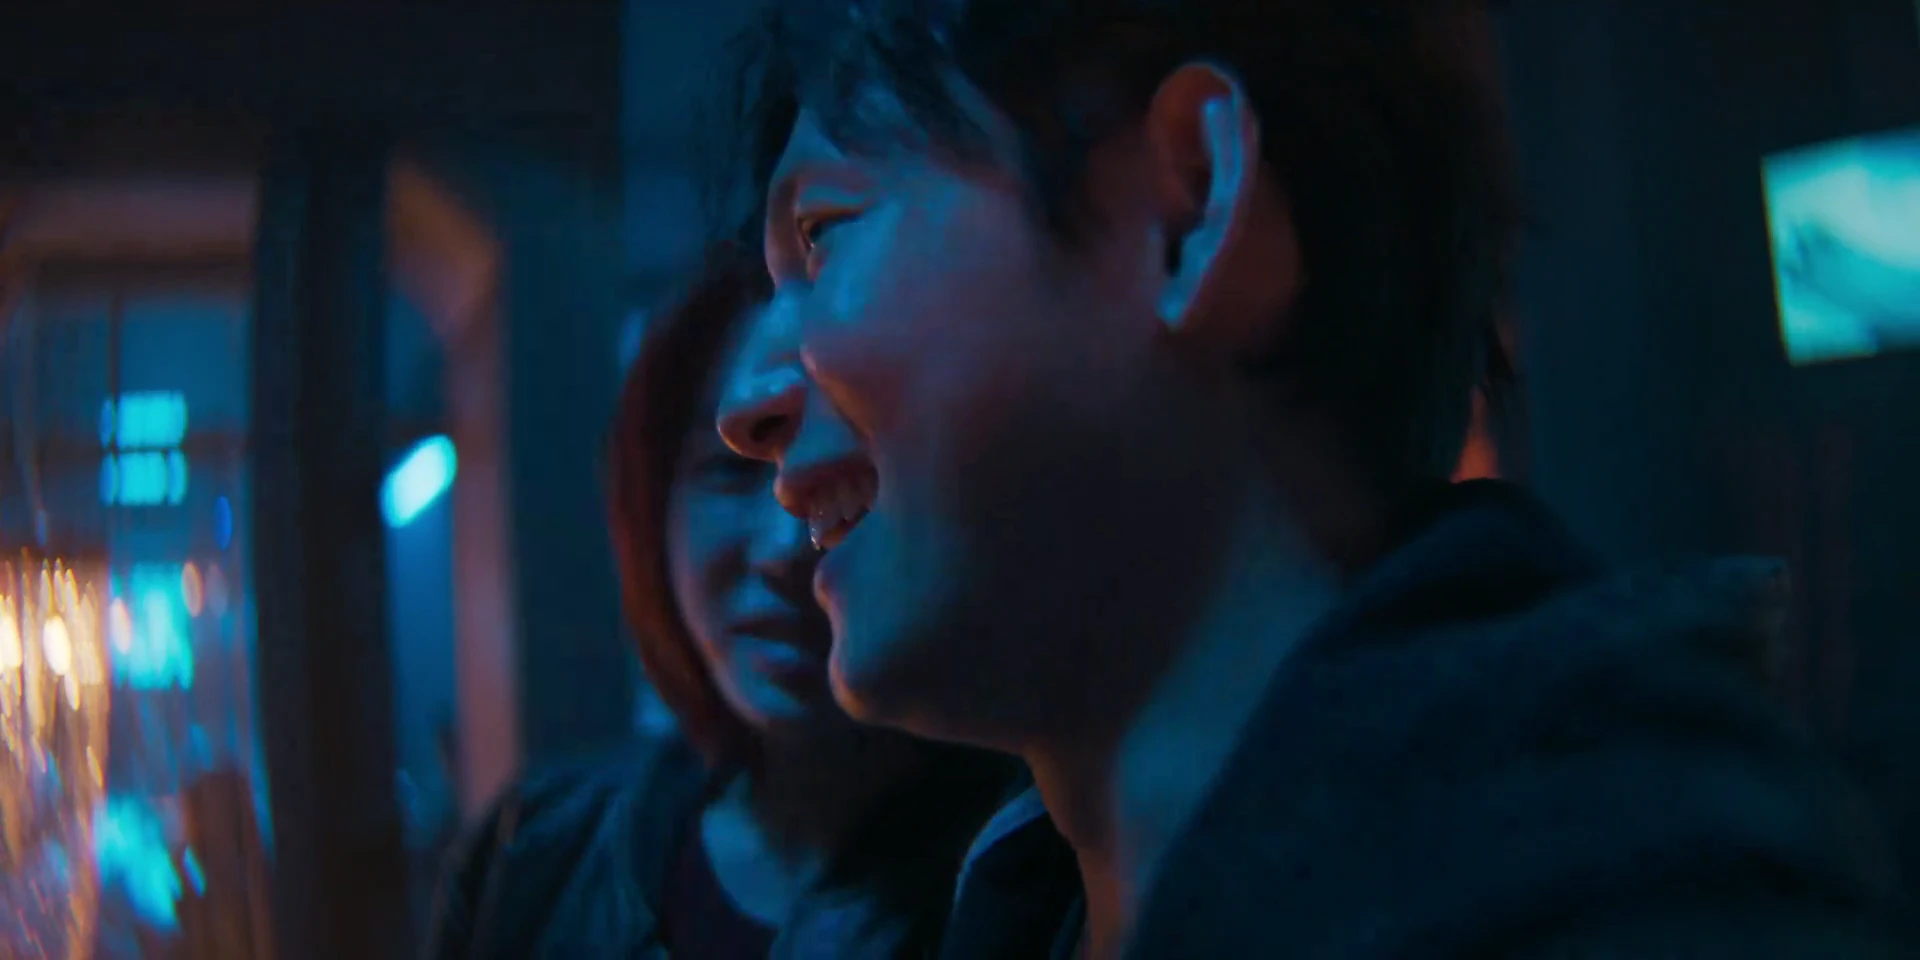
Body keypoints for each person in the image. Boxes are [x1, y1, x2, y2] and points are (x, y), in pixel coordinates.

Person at [710, 1, 1906, 957]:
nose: (743, 409)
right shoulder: (977, 912)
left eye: (824, 234)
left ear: (1192, 204)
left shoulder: (1634, 895)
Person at [425, 248, 1018, 958]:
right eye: (731, 469)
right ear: (652, 507)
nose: (786, 548)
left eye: (855, 473)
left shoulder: (1038, 877)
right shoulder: (535, 856)